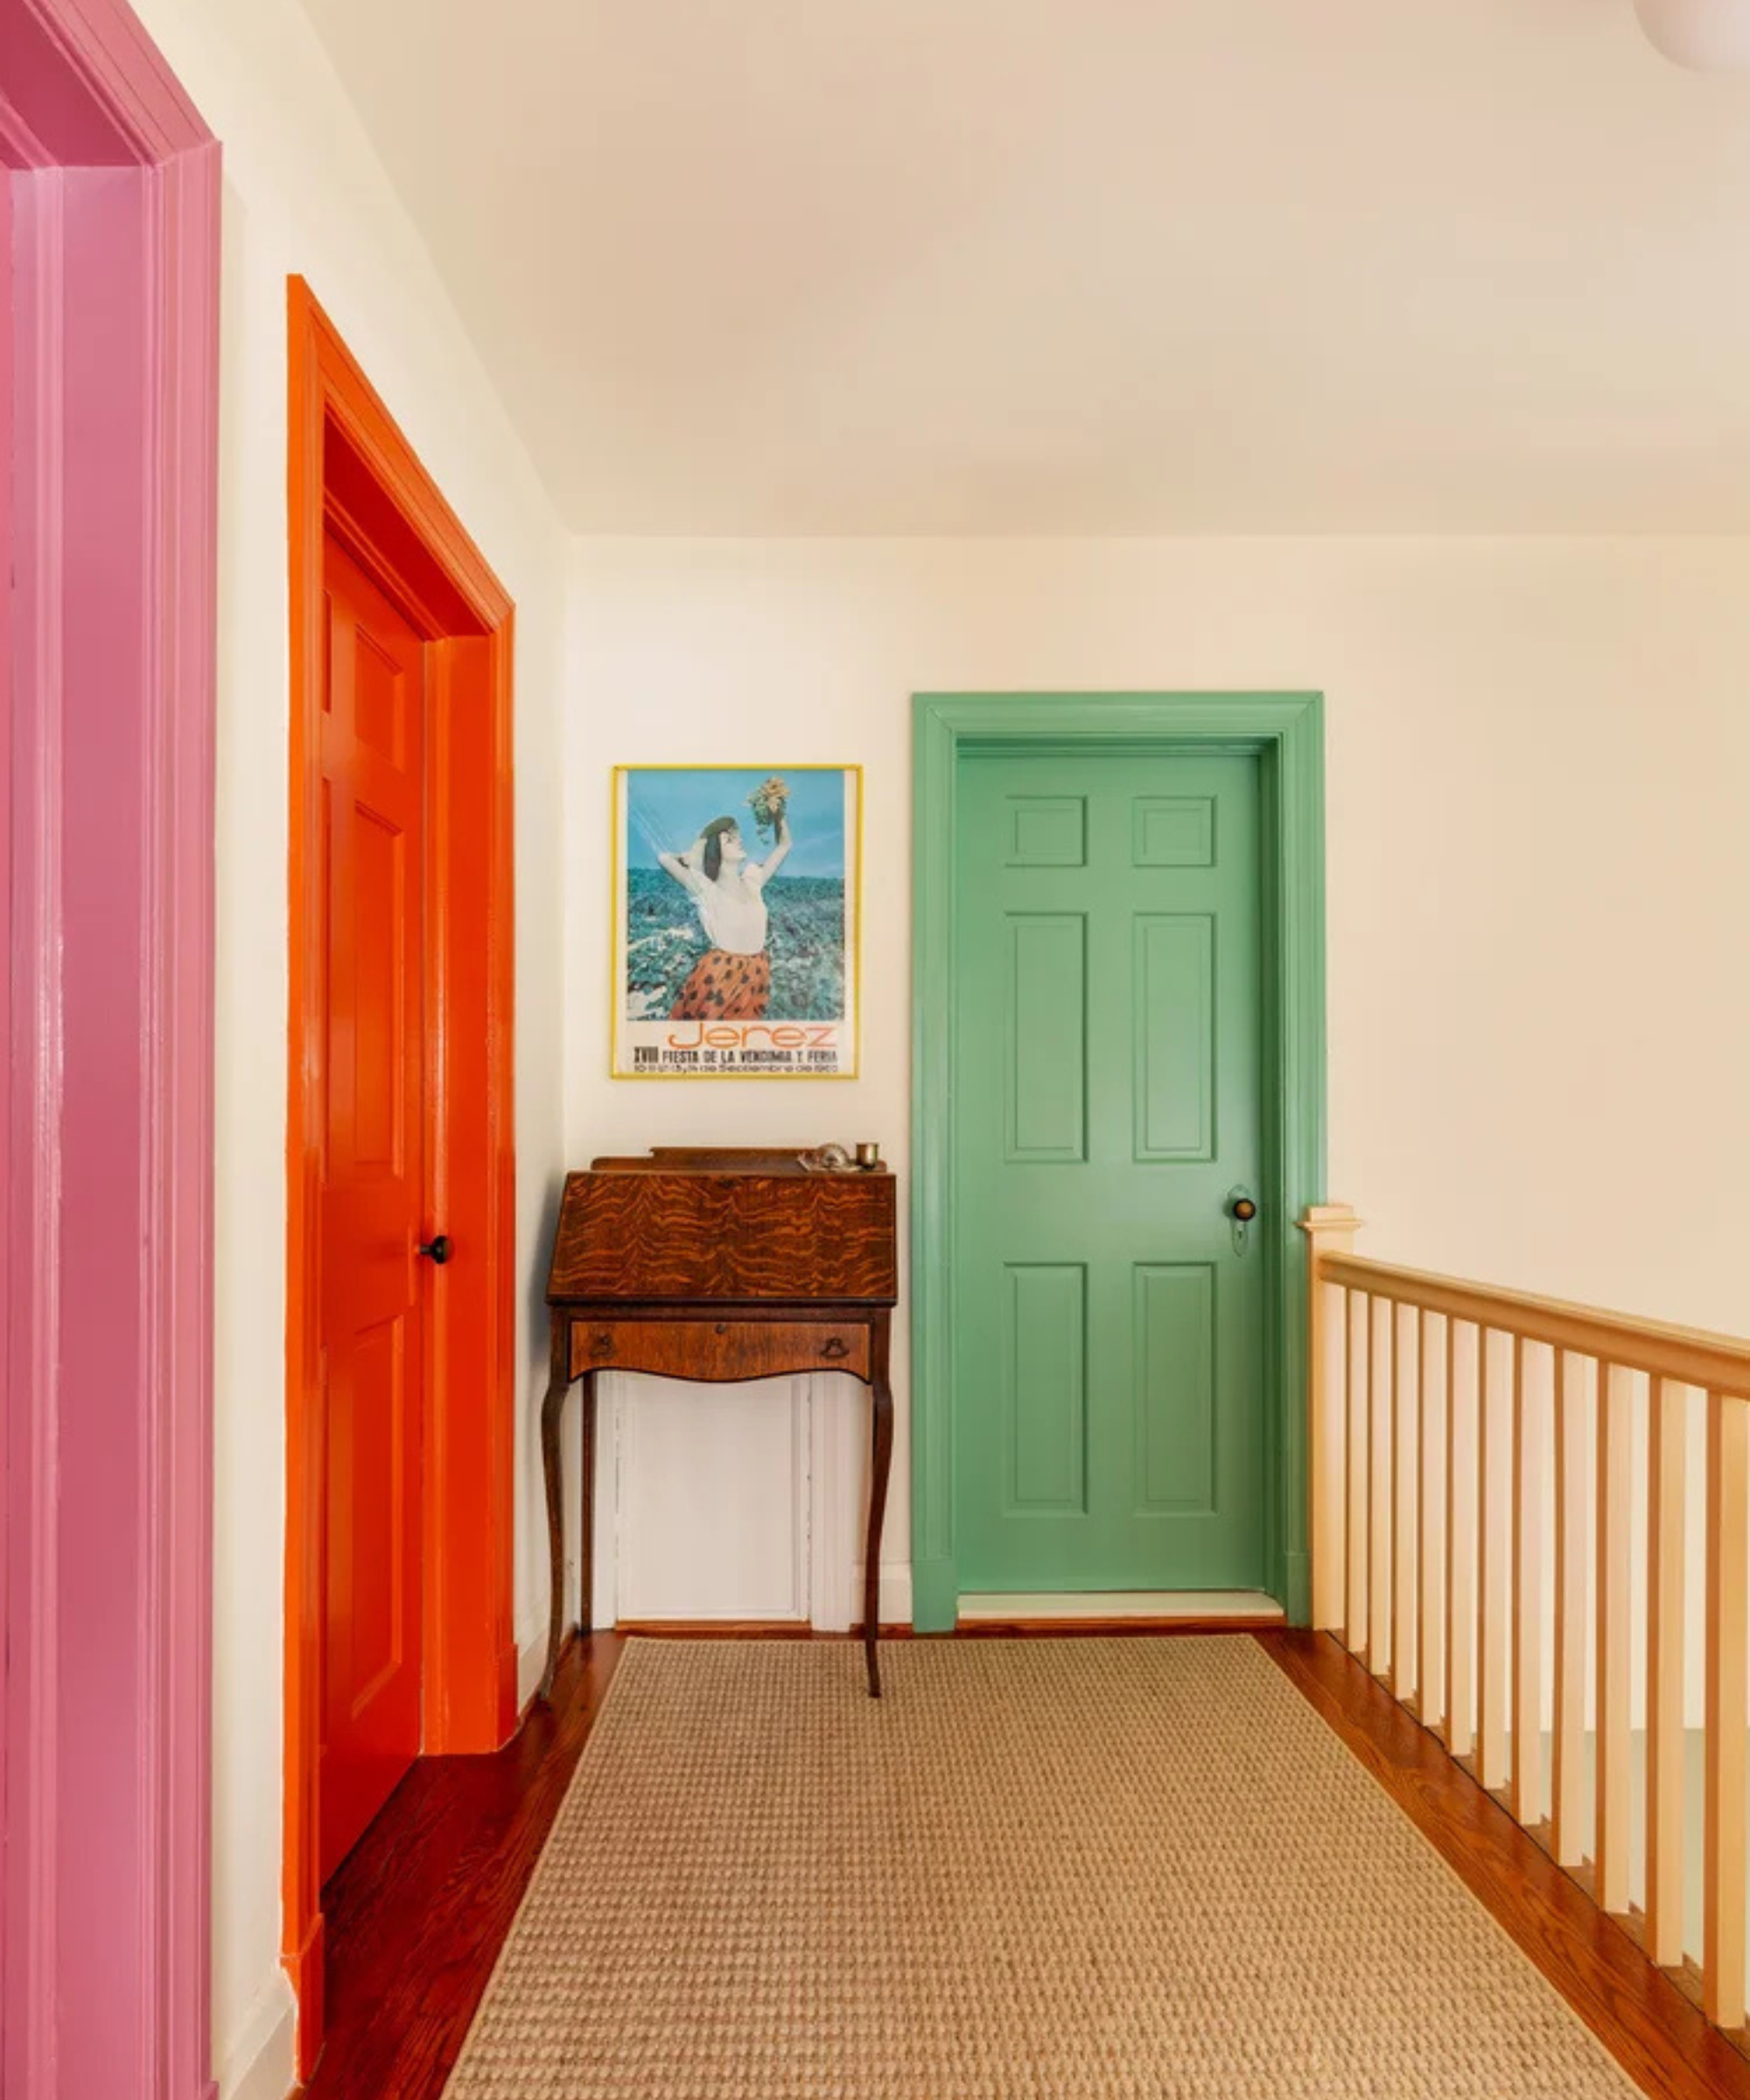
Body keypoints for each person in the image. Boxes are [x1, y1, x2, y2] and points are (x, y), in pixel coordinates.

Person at [658, 807, 791, 1020]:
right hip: (721, 974)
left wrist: (778, 815)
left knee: (740, 1042)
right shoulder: (705, 889)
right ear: (715, 852)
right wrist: (691, 857)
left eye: (736, 837)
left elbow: (784, 846)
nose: (739, 841)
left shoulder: (752, 881)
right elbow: (665, 859)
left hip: (756, 973)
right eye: (729, 840)